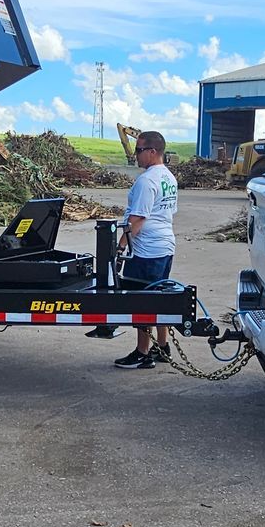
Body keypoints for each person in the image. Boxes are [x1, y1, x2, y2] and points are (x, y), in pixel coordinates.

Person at [99, 128, 179, 370]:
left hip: (146, 251)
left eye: (139, 150)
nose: (136, 155)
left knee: (142, 302)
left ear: (153, 152)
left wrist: (119, 247)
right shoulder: (168, 177)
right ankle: (162, 347)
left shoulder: (147, 181)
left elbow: (138, 219)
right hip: (165, 246)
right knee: (159, 298)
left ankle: (143, 352)